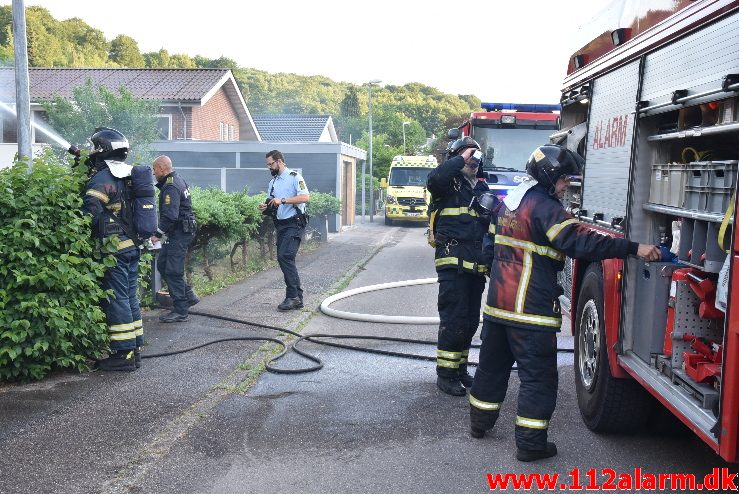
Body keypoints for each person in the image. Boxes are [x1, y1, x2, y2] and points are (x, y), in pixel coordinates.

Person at [468, 144, 661, 461]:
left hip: (497, 308)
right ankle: (530, 445)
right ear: (549, 176)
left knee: (490, 369)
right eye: (563, 179)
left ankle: (479, 423)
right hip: (530, 313)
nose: (566, 185)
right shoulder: (545, 208)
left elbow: (490, 250)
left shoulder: (510, 203)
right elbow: (580, 243)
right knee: (538, 379)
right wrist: (632, 247)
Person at [426, 137, 496, 396]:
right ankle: (445, 375)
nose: (473, 163)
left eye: (477, 158)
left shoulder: (480, 187)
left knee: (468, 322)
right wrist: (461, 157)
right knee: (454, 320)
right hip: (452, 262)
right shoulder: (447, 185)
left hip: (476, 266)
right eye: (469, 157)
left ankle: (459, 368)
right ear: (456, 158)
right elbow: (434, 179)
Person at [81, 127, 143, 371]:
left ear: (101, 150)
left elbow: (90, 214)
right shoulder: (129, 174)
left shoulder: (102, 179)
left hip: (114, 249)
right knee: (129, 297)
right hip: (132, 246)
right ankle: (134, 349)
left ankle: (123, 354)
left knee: (116, 299)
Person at [258, 150, 310, 311]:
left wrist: (283, 200)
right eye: (267, 165)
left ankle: (293, 297)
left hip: (294, 224)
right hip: (281, 225)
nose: (269, 167)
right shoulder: (273, 183)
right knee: (285, 259)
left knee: (285, 257)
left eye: (270, 164)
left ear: (279, 161)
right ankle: (297, 298)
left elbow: (305, 197)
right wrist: (266, 206)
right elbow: (274, 203)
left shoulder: (295, 177)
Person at [151, 155, 199, 323]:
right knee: (163, 264)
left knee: (173, 270)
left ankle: (181, 310)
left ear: (163, 169)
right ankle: (189, 296)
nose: (153, 173)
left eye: (155, 169)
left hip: (179, 232)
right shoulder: (178, 180)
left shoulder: (170, 186)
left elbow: (170, 216)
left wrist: (157, 234)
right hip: (180, 231)